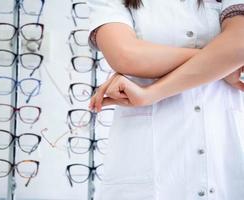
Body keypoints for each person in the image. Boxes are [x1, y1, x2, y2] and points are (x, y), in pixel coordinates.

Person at [87, 0, 244, 199]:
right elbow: (126, 56)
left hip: (225, 148)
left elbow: (240, 42)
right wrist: (223, 62)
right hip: (147, 159)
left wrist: (151, 93)